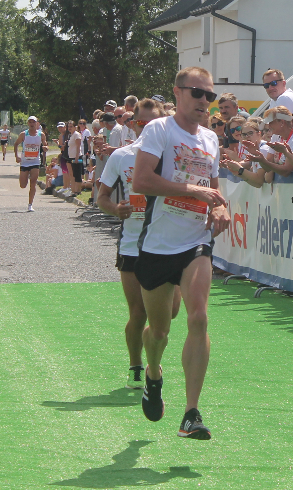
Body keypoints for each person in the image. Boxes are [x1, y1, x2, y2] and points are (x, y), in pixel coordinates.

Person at [131, 66, 230, 439]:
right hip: (158, 245)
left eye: (210, 95)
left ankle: (191, 413)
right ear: (177, 93)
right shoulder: (159, 130)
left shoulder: (210, 138)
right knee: (158, 330)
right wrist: (193, 191)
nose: (204, 101)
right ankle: (153, 374)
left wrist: (220, 208)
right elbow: (142, 182)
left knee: (199, 318)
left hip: (195, 241)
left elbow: (214, 190)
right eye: (197, 93)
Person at [96, 98, 182, 390]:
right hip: (133, 244)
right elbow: (102, 196)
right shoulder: (122, 156)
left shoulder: (174, 154)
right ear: (132, 124)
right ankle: (137, 365)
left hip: (170, 244)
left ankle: (151, 350)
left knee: (170, 313)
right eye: (140, 123)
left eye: (152, 122)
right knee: (138, 311)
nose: (146, 128)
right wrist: (115, 210)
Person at [14, 116, 47, 212]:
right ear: (28, 123)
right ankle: (25, 177)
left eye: (34, 122)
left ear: (37, 123)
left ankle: (30, 205)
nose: (32, 124)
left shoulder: (41, 135)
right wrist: (16, 156)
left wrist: (45, 148)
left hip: (35, 161)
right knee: (23, 185)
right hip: (25, 162)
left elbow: (45, 145)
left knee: (33, 183)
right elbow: (16, 144)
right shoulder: (24, 134)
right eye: (30, 122)